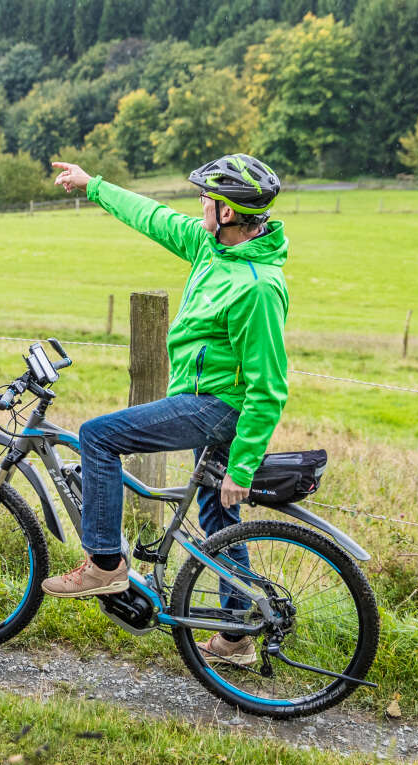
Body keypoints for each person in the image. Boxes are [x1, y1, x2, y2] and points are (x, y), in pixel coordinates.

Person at [40, 154, 289, 666]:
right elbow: (152, 217)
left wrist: (241, 465)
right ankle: (235, 637)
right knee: (220, 518)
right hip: (205, 399)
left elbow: (269, 386)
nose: (199, 205)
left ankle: (105, 563)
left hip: (215, 407)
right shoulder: (208, 247)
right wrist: (95, 185)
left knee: (98, 437)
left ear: (226, 213)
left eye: (207, 199)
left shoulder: (257, 287)